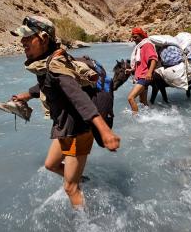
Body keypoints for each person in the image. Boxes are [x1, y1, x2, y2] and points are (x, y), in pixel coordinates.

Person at [9, 16, 120, 209]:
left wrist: (104, 130)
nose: (22, 42)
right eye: (22, 38)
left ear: (43, 38)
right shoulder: (48, 62)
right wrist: (26, 95)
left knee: (69, 188)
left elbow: (78, 97)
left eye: (28, 37)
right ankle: (82, 180)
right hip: (65, 126)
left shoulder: (57, 65)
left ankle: (87, 226)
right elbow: (47, 84)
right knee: (51, 165)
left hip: (78, 129)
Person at [127, 27, 158, 114]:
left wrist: (149, 73)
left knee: (130, 98)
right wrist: (132, 70)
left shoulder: (147, 45)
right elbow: (140, 62)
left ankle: (136, 120)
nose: (134, 39)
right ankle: (150, 117)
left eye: (136, 37)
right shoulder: (139, 47)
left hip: (144, 76)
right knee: (143, 102)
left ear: (141, 36)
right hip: (140, 76)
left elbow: (154, 59)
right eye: (133, 37)